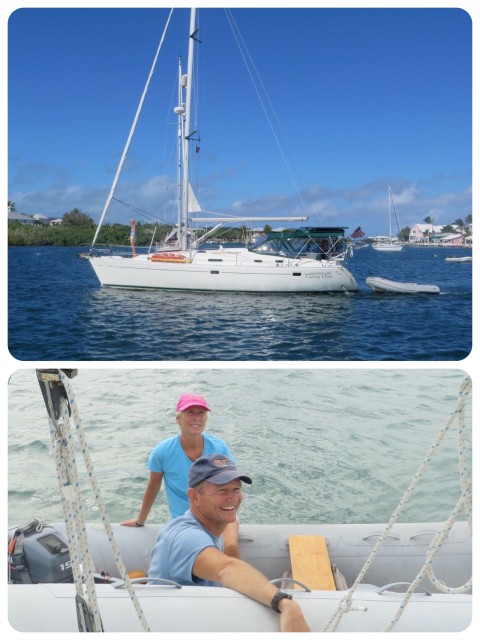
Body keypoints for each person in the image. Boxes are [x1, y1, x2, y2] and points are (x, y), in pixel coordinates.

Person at [149, 454, 310, 632]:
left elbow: (232, 518)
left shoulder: (211, 522)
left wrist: (231, 545)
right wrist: (285, 603)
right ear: (195, 497)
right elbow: (225, 569)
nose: (232, 498)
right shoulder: (185, 537)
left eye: (236, 489)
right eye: (222, 491)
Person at [121, 393, 239, 556]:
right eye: (190, 412)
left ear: (206, 419)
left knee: (231, 548)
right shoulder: (162, 452)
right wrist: (140, 520)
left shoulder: (220, 448)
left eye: (201, 413)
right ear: (178, 418)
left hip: (219, 514)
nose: (196, 417)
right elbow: (153, 489)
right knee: (202, 552)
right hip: (185, 521)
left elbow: (232, 488)